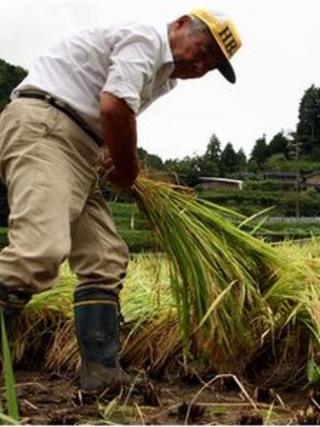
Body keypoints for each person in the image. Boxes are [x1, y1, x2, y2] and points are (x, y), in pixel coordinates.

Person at [0, 7, 242, 392]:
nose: (203, 63)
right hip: (46, 127)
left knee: (104, 259)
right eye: (204, 48)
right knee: (39, 251)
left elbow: (112, 112)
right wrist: (128, 171)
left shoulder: (164, 78)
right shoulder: (146, 40)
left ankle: (101, 373)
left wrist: (114, 154)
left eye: (213, 64)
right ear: (180, 25)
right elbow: (114, 106)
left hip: (79, 146)